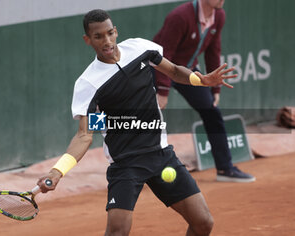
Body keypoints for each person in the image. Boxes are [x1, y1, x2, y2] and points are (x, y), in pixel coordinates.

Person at [36, 9, 237, 236]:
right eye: (98, 36)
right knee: (117, 232)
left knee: (203, 223)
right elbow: (85, 135)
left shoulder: (141, 49)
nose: (107, 41)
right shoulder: (90, 84)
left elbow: (172, 71)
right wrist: (56, 172)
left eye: (110, 33)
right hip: (126, 164)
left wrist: (199, 80)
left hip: (161, 156)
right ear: (88, 40)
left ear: (116, 31)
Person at [153, 0, 255, 182]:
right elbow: (164, 54)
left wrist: (215, 86)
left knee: (212, 112)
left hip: (188, 71)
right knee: (147, 117)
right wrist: (162, 90)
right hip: (160, 69)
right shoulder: (180, 16)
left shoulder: (219, 16)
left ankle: (225, 168)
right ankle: (137, 169)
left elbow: (213, 51)